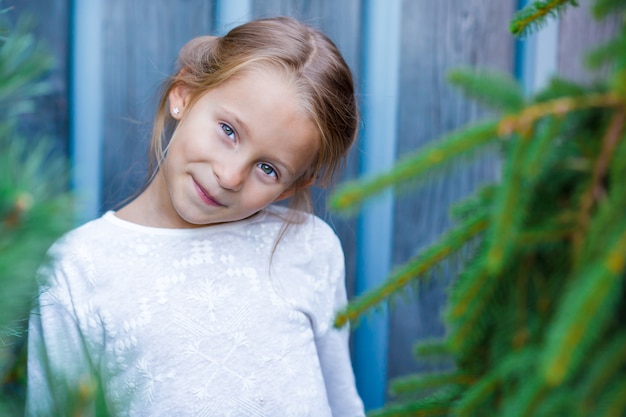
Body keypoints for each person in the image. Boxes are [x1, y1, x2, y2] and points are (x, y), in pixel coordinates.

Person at [26, 16, 364, 417]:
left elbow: (343, 404)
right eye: (228, 130)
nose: (230, 175)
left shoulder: (307, 246)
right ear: (183, 94)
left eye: (268, 169)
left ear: (290, 188)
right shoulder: (79, 267)